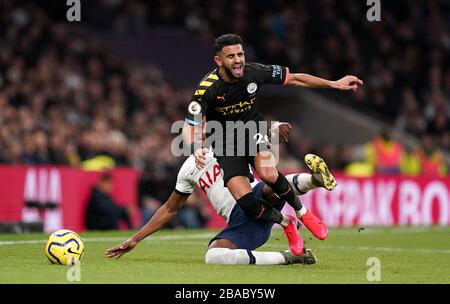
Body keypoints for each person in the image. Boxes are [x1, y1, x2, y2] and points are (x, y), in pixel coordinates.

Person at [182, 34, 358, 244]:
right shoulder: (206, 89)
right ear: (219, 61)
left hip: (252, 132)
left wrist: (334, 84)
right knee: (247, 203)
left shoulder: (255, 71)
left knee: (268, 173)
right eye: (231, 56)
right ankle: (286, 223)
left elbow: (294, 78)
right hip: (225, 144)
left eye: (240, 54)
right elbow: (188, 125)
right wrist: (194, 148)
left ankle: (303, 212)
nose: (238, 60)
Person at [105, 125, 336, 265]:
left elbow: (259, 135)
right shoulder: (188, 168)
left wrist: (274, 130)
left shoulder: (233, 141)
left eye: (204, 124)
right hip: (242, 225)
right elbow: (170, 209)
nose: (201, 130)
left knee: (267, 185)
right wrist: (135, 239)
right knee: (213, 256)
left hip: (254, 197)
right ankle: (289, 257)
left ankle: (315, 180)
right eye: (195, 128)